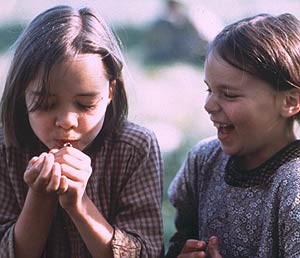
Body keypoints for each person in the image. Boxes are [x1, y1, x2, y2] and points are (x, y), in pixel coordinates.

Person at [0, 5, 164, 258]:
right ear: (22, 93)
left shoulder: (134, 148)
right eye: (45, 103)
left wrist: (79, 205)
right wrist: (39, 197)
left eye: (86, 104)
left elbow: (145, 254)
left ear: (110, 91)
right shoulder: (6, 149)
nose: (67, 121)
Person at [165, 13, 300, 258]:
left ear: (290, 101)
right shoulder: (204, 160)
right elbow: (181, 236)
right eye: (209, 89)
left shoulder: (294, 186)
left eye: (229, 94)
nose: (209, 105)